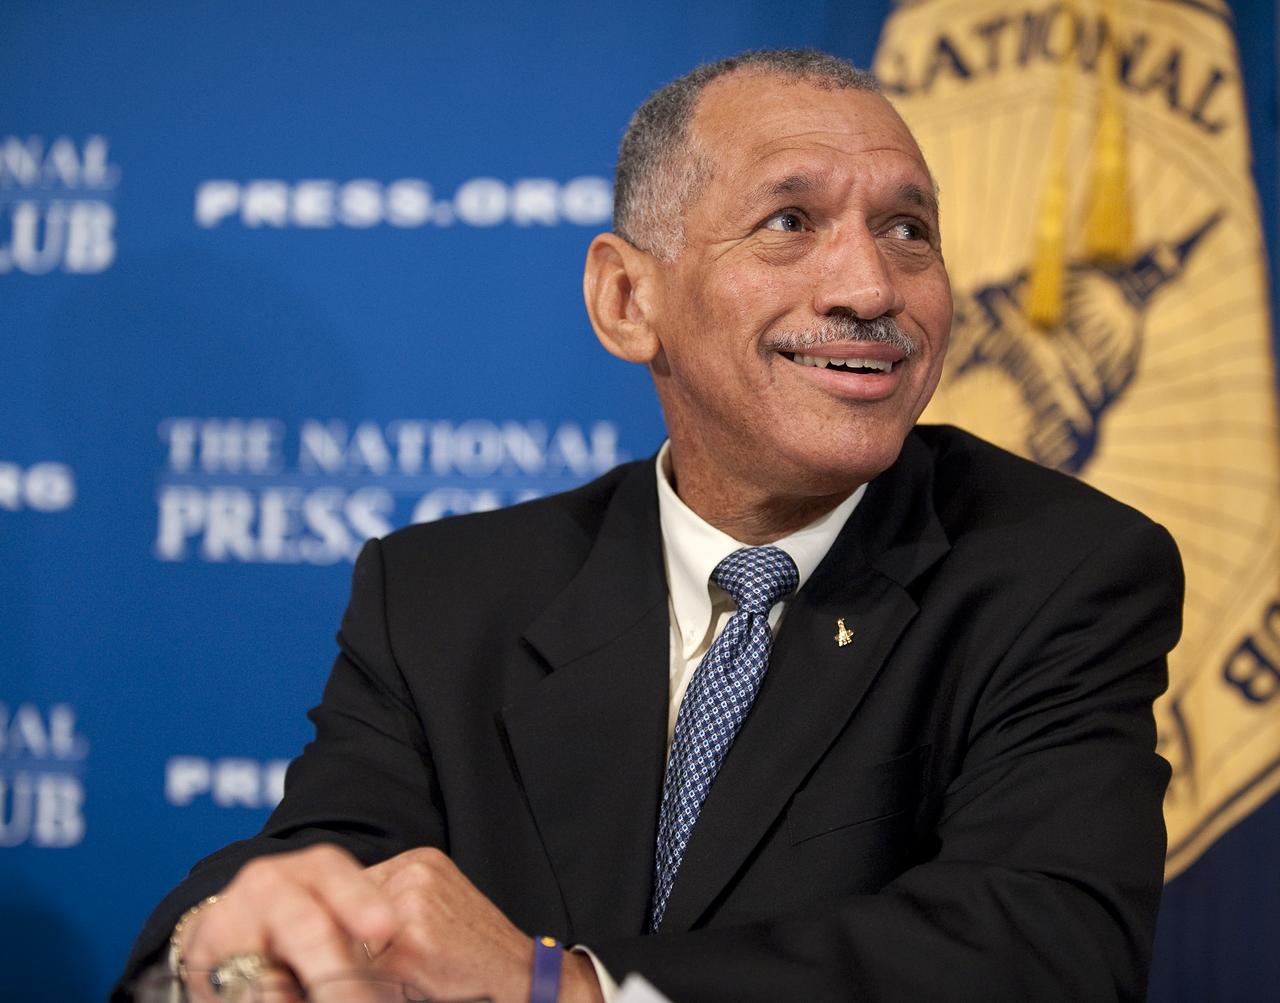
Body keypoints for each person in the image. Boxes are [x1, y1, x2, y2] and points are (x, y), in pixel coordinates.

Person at [118, 49, 1182, 1002]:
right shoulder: (440, 596)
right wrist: (228, 949)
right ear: (627, 299)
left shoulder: (1058, 571)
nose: (868, 286)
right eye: (789, 222)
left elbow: (1045, 950)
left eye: (907, 232)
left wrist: (565, 990)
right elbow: (323, 867)